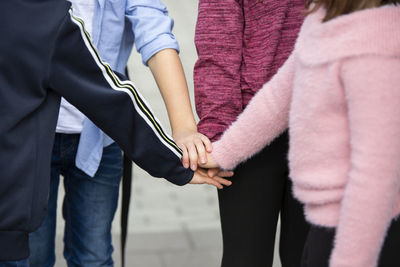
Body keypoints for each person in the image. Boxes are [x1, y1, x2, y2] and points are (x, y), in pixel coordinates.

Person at [0, 0, 232, 265]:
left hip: (99, 137)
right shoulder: (36, 13)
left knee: (94, 256)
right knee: (28, 256)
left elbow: (154, 34)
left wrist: (184, 132)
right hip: (26, 148)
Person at [200, 1, 400, 266]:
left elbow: (375, 176)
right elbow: (279, 96)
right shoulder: (319, 19)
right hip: (323, 217)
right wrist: (221, 151)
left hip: (361, 226)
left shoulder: (375, 45)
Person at [194, 0, 309, 266]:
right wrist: (218, 135)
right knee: (245, 258)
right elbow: (218, 39)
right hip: (248, 131)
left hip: (324, 125)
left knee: (311, 257)